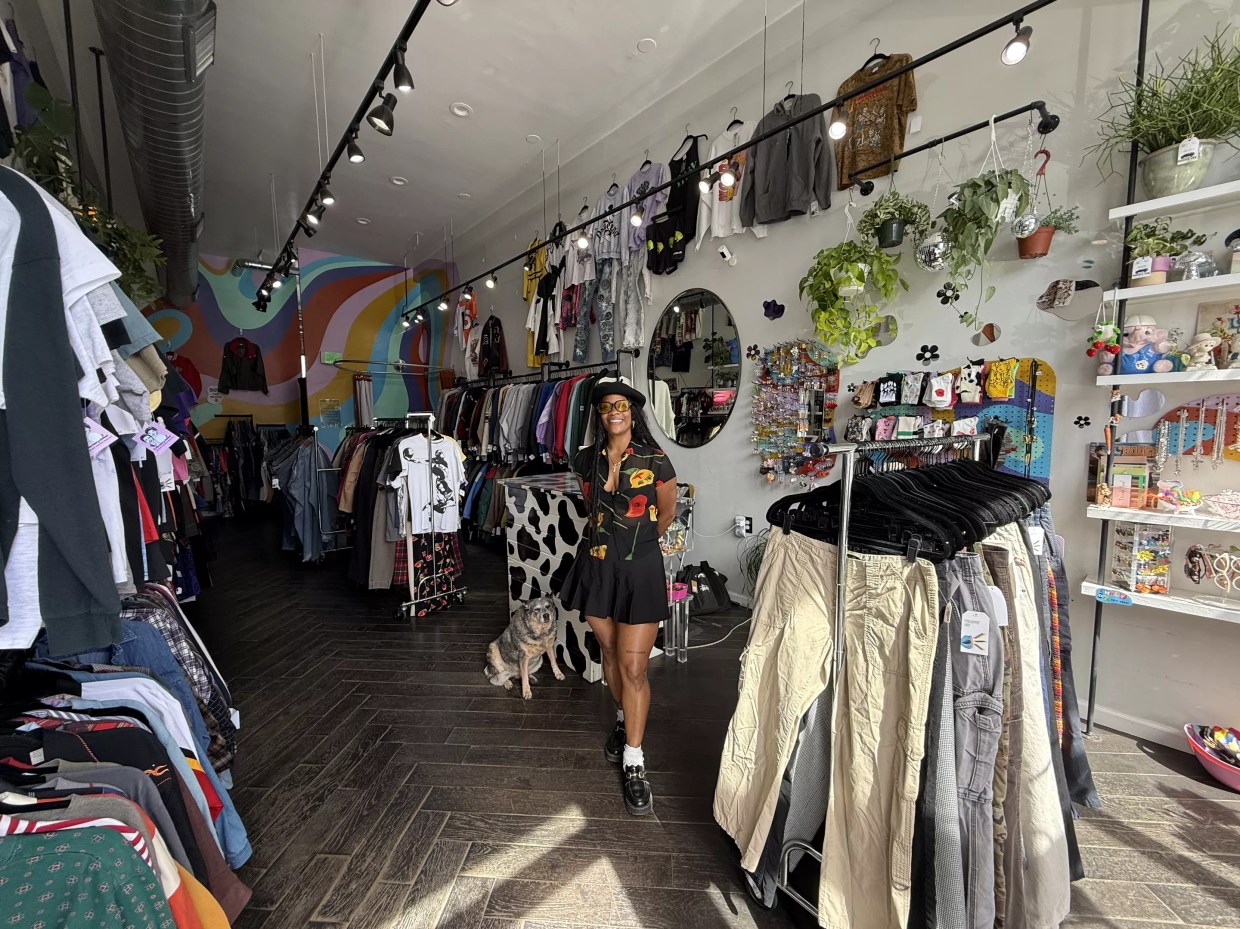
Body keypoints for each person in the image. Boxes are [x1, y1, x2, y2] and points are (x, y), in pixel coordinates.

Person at [560, 377, 677, 816]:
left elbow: (665, 514)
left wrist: (637, 548)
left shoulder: (655, 459)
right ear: (599, 413)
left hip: (639, 570)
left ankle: (634, 759)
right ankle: (624, 721)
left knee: (633, 667)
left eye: (622, 405)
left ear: (633, 411)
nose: (615, 412)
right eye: (607, 405)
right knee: (608, 653)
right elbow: (593, 510)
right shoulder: (585, 459)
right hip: (596, 566)